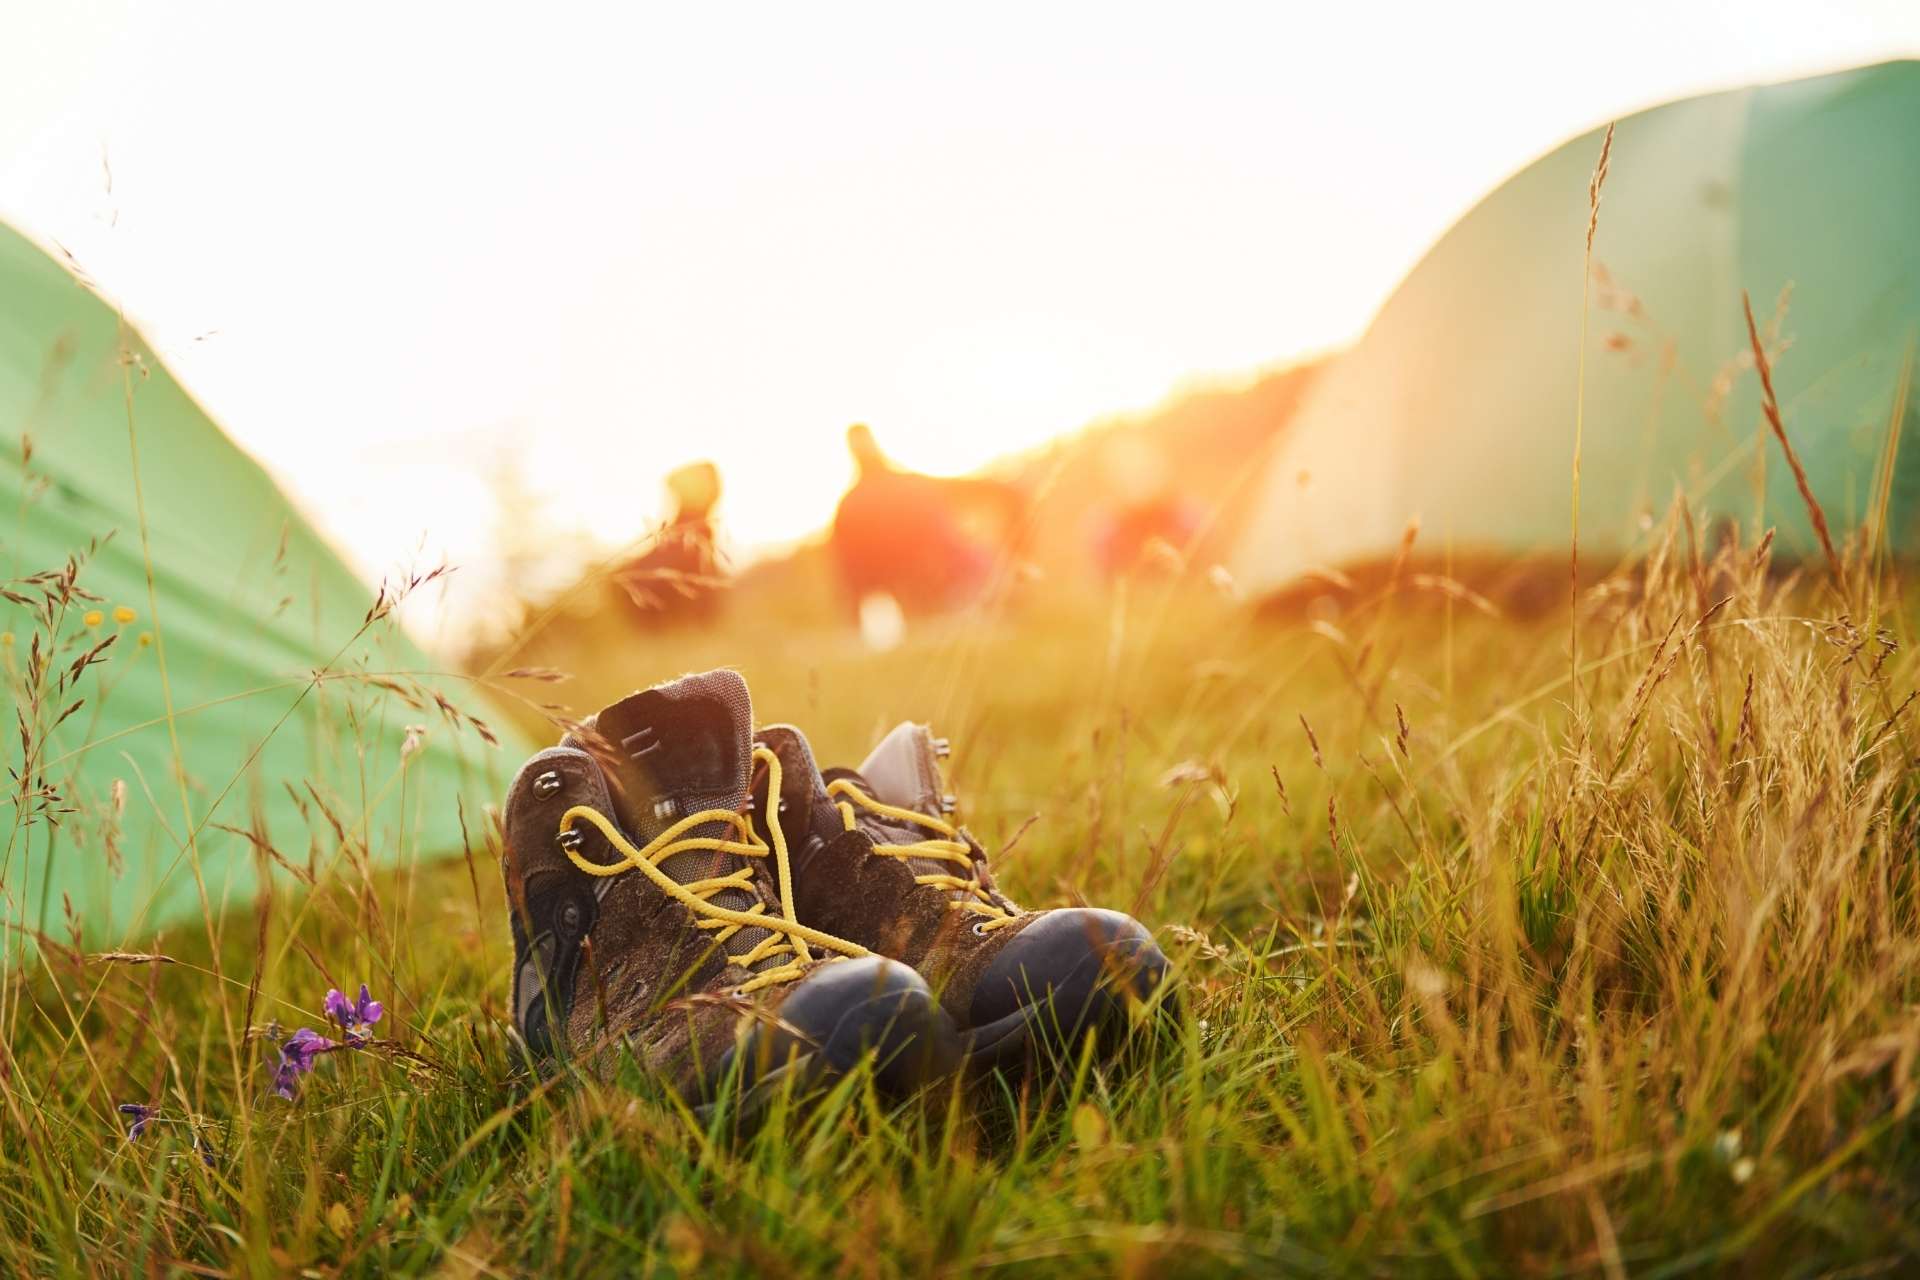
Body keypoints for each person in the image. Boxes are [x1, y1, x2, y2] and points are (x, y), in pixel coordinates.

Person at [829, 424, 1023, 618]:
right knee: (974, 564)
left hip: (931, 574)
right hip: (917, 580)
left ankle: (994, 596)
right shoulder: (855, 504)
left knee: (974, 562)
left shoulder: (904, 487)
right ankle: (992, 597)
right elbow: (850, 569)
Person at [611, 460, 726, 625]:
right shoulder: (686, 538)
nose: (714, 492)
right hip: (665, 630)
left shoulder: (696, 535)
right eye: (703, 486)